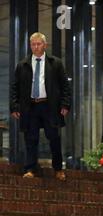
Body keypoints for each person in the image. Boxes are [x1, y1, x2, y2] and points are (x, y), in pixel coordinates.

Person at [10, 32, 71, 181]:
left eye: (39, 44)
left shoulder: (55, 63)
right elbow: (14, 88)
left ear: (45, 45)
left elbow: (65, 86)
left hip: (50, 106)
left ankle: (58, 169)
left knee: (53, 137)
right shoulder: (22, 65)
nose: (36, 47)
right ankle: (30, 169)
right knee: (31, 139)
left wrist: (65, 104)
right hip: (30, 106)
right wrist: (15, 107)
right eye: (33, 44)